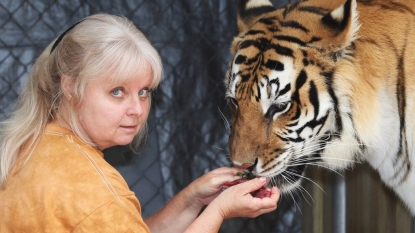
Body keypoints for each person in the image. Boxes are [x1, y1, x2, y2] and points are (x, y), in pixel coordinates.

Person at [0, 13, 280, 232]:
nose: (137, 109)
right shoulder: (94, 188)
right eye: (117, 92)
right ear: (71, 87)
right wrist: (219, 211)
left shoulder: (32, 145)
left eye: (144, 92)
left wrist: (192, 199)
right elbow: (103, 211)